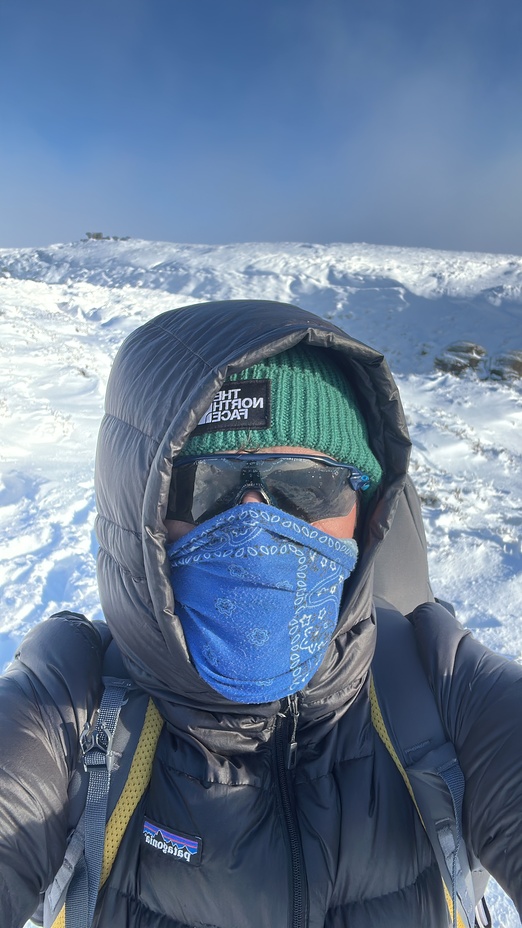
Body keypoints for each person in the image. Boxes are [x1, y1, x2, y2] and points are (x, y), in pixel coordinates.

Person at [0, 298, 521, 928]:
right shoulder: (68, 711)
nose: (256, 522)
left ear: (365, 506)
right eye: (203, 486)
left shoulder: (443, 690)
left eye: (307, 485)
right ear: (138, 513)